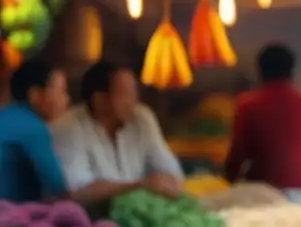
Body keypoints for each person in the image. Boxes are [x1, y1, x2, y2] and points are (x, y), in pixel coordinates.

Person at [52, 60, 183, 204]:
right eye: (125, 94)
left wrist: (160, 183)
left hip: (135, 212)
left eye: (134, 93)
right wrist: (140, 185)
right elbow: (77, 190)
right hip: (87, 220)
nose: (133, 101)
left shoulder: (142, 118)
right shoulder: (68, 127)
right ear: (100, 99)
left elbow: (172, 173)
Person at [225, 43, 301, 189]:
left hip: (262, 193)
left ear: (259, 71)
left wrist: (227, 183)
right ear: (292, 70)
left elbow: (235, 160)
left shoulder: (247, 106)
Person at [0, 59, 69, 201]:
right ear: (35, 95)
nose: (66, 99)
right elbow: (57, 187)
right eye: (61, 92)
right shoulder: (33, 128)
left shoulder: (7, 116)